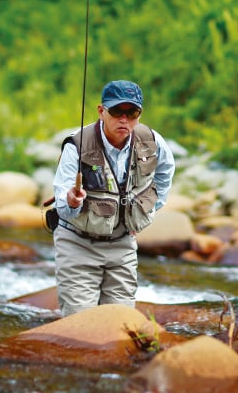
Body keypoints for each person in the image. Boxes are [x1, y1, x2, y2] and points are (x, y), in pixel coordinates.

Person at [52, 79, 175, 316]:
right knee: (81, 326)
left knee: (120, 325)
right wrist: (72, 201)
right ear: (101, 111)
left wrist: (143, 214)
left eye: (132, 112)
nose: (124, 119)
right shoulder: (76, 144)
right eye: (117, 111)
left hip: (122, 244)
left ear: (140, 114)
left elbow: (165, 174)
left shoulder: (152, 140)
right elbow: (62, 205)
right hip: (77, 244)